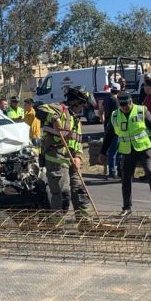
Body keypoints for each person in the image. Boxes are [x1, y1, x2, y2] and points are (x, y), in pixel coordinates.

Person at [99, 91, 151, 215]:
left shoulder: (142, 111)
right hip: (127, 151)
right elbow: (109, 135)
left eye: (127, 104)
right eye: (123, 106)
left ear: (131, 101)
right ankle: (127, 207)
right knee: (126, 179)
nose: (125, 108)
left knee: (150, 173)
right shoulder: (115, 115)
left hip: (144, 148)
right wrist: (103, 152)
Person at [37, 87, 90, 215]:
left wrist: (78, 157)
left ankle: (86, 225)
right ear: (75, 101)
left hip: (72, 159)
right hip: (56, 159)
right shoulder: (60, 109)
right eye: (82, 103)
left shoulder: (76, 119)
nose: (83, 107)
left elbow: (77, 142)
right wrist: (54, 119)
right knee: (62, 195)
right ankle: (56, 228)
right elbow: (38, 108)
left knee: (80, 193)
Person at [101, 83, 122, 180]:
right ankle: (113, 173)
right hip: (115, 128)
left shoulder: (106, 99)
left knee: (111, 150)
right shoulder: (116, 100)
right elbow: (119, 115)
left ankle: (113, 171)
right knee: (114, 151)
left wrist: (103, 121)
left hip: (107, 127)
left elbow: (100, 111)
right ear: (119, 91)